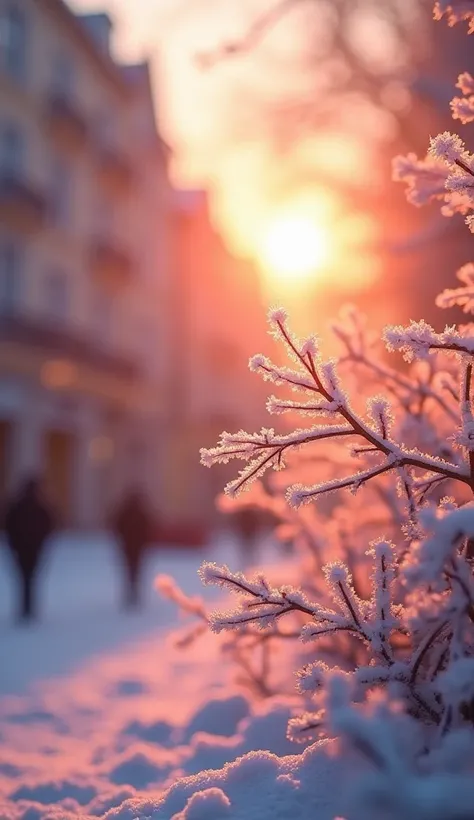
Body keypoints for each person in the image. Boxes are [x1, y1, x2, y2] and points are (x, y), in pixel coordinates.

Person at [3, 476, 54, 622]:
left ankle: (26, 608)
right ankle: (28, 608)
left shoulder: (17, 506)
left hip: (22, 549)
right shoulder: (40, 506)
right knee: (30, 578)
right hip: (32, 549)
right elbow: (49, 524)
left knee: (25, 578)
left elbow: (8, 525)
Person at [111, 489, 154, 609]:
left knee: (129, 570)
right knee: (136, 571)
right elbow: (148, 528)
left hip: (128, 546)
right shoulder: (142, 513)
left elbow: (117, 526)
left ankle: (131, 594)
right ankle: (134, 594)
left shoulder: (125, 511)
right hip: (137, 547)